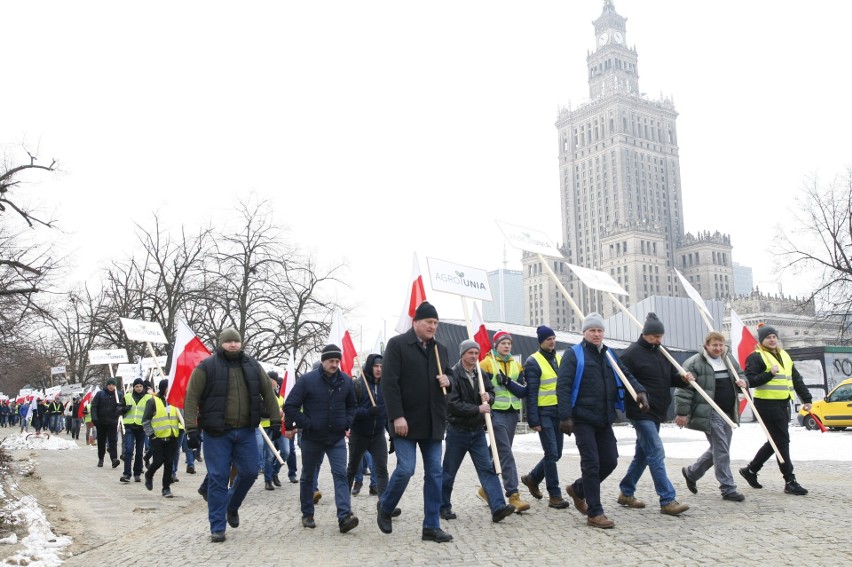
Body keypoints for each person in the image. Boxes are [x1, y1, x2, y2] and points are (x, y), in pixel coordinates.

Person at [184, 328, 282, 543]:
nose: (233, 345)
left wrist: (275, 420)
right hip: (216, 433)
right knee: (218, 478)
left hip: (246, 430)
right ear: (221, 343)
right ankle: (217, 527)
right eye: (228, 342)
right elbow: (191, 398)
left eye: (236, 342)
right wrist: (191, 428)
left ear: (241, 343)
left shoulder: (253, 365)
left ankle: (232, 505)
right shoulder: (207, 367)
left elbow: (267, 392)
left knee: (249, 472)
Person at [557, 313, 648, 529]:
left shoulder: (609, 355)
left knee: (610, 461)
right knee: (591, 463)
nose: (597, 334)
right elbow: (563, 386)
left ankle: (578, 489)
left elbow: (626, 375)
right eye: (592, 330)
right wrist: (565, 416)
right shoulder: (573, 355)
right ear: (584, 333)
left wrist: (640, 391)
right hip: (582, 418)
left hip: (604, 417)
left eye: (600, 331)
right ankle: (595, 513)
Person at [378, 301, 453, 543]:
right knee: (406, 469)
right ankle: (386, 507)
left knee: (435, 474)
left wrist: (448, 380)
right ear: (416, 322)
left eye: (436, 323)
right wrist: (396, 415)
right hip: (405, 422)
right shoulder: (397, 345)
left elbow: (450, 376)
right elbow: (389, 384)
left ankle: (431, 526)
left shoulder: (440, 349)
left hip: (433, 422)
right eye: (429, 322)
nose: (433, 326)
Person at [616, 313, 692, 516]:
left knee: (643, 455)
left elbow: (669, 378)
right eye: (654, 336)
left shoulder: (662, 352)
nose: (658, 340)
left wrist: (683, 379)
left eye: (660, 336)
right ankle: (667, 500)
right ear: (645, 334)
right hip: (640, 411)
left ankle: (626, 491)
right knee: (656, 451)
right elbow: (624, 380)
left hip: (657, 410)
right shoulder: (631, 353)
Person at [284, 344, 359, 533]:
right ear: (323, 361)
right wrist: (306, 423)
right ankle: (307, 514)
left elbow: (353, 406)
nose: (335, 364)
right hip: (312, 438)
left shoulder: (346, 381)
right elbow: (290, 406)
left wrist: (347, 422)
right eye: (331, 361)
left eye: (337, 361)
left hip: (336, 439)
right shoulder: (307, 381)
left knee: (341, 474)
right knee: (308, 476)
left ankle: (344, 516)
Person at [440, 340, 516, 523]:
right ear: (462, 354)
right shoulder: (453, 374)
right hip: (457, 431)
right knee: (449, 472)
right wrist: (478, 409)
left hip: (477, 431)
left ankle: (498, 507)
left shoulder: (481, 374)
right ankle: (443, 506)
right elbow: (452, 404)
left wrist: (489, 397)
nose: (474, 356)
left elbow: (491, 394)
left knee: (487, 470)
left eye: (476, 353)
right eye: (470, 353)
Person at [739, 324, 813, 496]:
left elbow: (796, 378)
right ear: (762, 340)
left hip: (782, 403)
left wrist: (806, 399)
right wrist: (769, 374)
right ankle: (790, 480)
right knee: (782, 442)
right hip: (766, 404)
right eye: (768, 337)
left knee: (776, 441)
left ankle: (750, 470)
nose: (772, 340)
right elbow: (749, 380)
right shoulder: (756, 357)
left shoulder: (784, 355)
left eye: (774, 337)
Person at [677, 331, 748, 502]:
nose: (718, 348)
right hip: (709, 411)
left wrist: (744, 382)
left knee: (719, 449)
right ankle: (728, 488)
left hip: (728, 412)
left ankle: (692, 473)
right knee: (721, 450)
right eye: (714, 345)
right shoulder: (695, 363)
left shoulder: (728, 360)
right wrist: (682, 413)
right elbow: (683, 390)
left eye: (720, 345)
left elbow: (741, 375)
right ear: (706, 346)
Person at [479, 330, 530, 513]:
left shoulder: (517, 365)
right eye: (503, 343)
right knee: (506, 452)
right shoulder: (486, 364)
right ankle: (513, 494)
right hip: (495, 414)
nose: (506, 346)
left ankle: (486, 489)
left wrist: (507, 382)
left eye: (509, 343)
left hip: (512, 413)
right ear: (496, 345)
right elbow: (480, 389)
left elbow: (524, 391)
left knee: (500, 451)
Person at [521, 325, 571, 509]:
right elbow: (531, 394)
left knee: (556, 453)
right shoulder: (533, 361)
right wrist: (533, 420)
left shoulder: (559, 358)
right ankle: (555, 495)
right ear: (541, 341)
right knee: (551, 453)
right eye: (548, 338)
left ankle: (532, 478)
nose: (552, 341)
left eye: (553, 338)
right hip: (544, 413)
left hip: (559, 412)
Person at [346, 354, 389, 501]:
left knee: (382, 468)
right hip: (359, 434)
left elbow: (389, 412)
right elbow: (351, 410)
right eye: (376, 366)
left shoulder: (386, 386)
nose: (379, 369)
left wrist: (393, 435)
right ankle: (344, 504)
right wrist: (368, 412)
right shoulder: (358, 384)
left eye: (382, 366)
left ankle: (385, 505)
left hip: (378, 435)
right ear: (370, 366)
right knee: (352, 468)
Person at [142, 379, 181, 498]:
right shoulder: (153, 401)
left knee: (169, 463)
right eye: (168, 387)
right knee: (158, 461)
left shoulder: (175, 401)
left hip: (172, 437)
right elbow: (145, 420)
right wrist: (152, 435)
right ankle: (149, 475)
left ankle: (166, 488)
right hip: (157, 438)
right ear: (163, 388)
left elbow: (180, 417)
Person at [120, 378, 151, 483]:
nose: (138, 388)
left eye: (140, 386)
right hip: (129, 426)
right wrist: (124, 409)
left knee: (139, 452)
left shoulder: (148, 397)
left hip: (141, 427)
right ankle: (126, 474)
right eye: (137, 386)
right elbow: (119, 408)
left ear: (143, 387)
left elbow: (152, 411)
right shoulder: (127, 396)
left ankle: (137, 473)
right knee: (128, 450)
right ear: (133, 387)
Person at [91, 379, 123, 468]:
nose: (111, 386)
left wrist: (120, 409)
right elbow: (94, 406)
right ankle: (101, 459)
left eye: (113, 384)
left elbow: (121, 406)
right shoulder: (100, 394)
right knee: (101, 441)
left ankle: (114, 459)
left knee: (113, 441)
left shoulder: (118, 394)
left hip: (113, 421)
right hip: (101, 422)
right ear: (107, 385)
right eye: (109, 384)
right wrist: (95, 419)